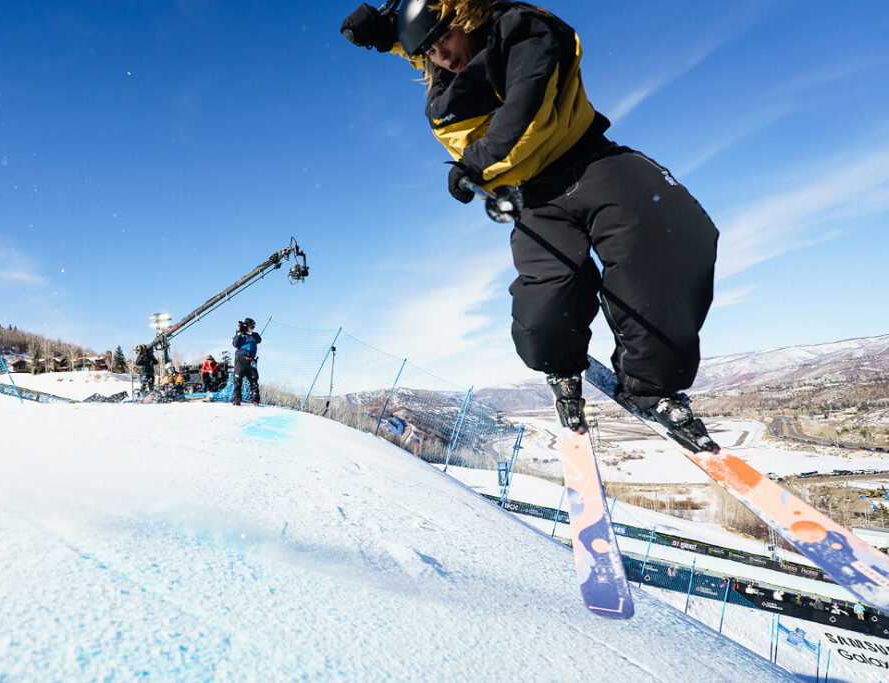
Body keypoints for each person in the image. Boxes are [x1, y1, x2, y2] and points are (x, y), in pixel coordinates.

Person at [341, 1, 719, 447]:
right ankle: (560, 364)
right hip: (536, 196)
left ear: (465, 20)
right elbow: (426, 35)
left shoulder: (522, 31)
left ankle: (652, 384)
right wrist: (385, 33)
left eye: (445, 39)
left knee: (667, 246)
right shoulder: (442, 64)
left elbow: (526, 112)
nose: (441, 56)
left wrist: (473, 164)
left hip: (591, 161)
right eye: (429, 51)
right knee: (544, 315)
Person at [231, 318, 261, 406]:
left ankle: (255, 400)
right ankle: (236, 400)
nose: (251, 327)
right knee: (237, 381)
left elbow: (258, 340)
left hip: (251, 361)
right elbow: (235, 344)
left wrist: (251, 333)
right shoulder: (241, 335)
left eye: (252, 326)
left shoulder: (255, 335)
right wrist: (239, 333)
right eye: (250, 326)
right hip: (241, 360)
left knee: (254, 381)